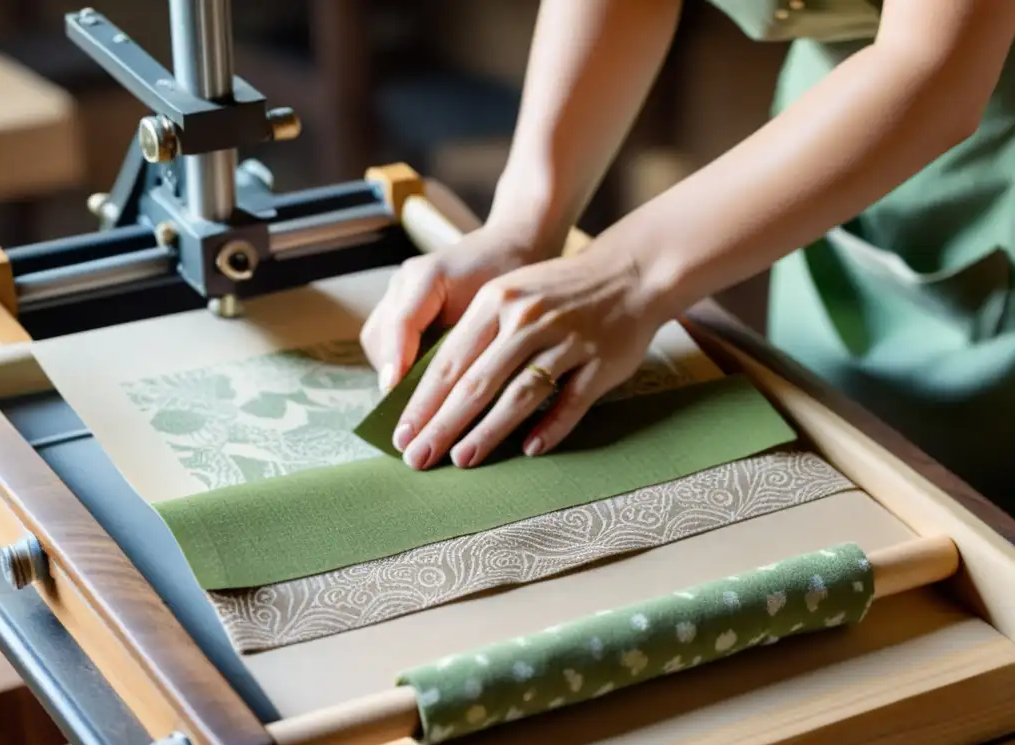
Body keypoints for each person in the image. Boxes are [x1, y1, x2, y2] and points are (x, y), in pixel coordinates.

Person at [360, 0, 1015, 513]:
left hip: (957, 128)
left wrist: (626, 274)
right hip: (844, 122)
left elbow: (935, 60)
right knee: (847, 473)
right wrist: (525, 222)